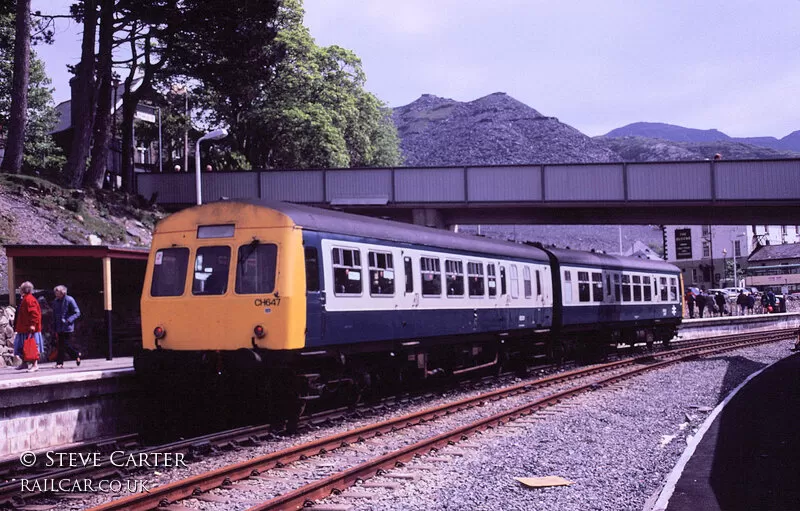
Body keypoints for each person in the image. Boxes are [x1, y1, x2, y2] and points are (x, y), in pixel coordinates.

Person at [13, 281, 43, 372]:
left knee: (32, 347)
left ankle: (35, 365)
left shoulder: (29, 299)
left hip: (29, 329)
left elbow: (34, 314)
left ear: (23, 290)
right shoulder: (26, 299)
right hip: (23, 328)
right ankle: (25, 363)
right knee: (22, 346)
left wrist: (33, 325)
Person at [51, 285, 82, 368]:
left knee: (62, 344)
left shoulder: (70, 300)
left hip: (67, 326)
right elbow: (54, 314)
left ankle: (60, 362)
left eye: (57, 292)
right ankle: (75, 355)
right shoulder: (55, 301)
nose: (56, 294)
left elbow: (77, 312)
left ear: (62, 293)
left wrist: (69, 320)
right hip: (58, 326)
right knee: (61, 344)